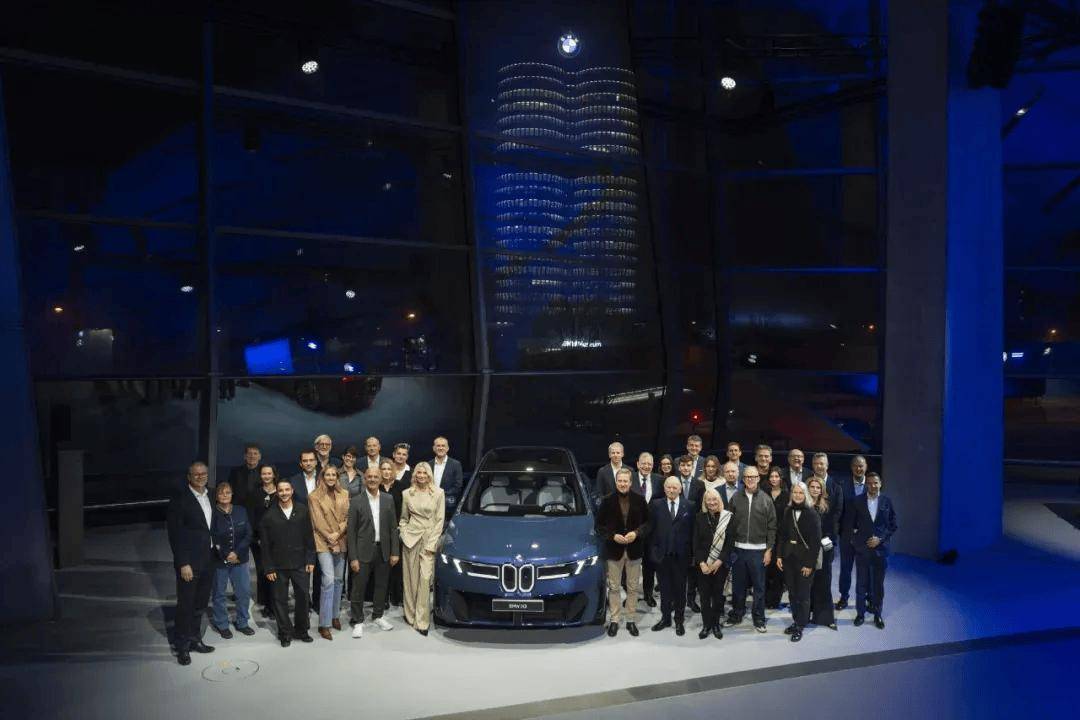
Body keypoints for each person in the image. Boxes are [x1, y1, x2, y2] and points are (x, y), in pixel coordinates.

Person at [166, 462, 216, 665]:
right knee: (186, 605)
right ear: (189, 477)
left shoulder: (212, 495)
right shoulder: (180, 500)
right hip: (190, 563)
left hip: (209, 560)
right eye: (196, 474)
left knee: (200, 604)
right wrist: (183, 563)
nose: (200, 476)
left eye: (203, 473)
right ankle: (182, 646)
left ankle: (195, 639)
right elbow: (175, 535)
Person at [260, 479, 316, 646]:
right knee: (279, 600)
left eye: (287, 490)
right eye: (281, 490)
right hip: (278, 565)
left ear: (292, 491)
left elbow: (309, 536)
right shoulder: (269, 515)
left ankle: (302, 630)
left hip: (300, 563)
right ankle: (285, 633)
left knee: (303, 598)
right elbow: (265, 545)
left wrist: (310, 559)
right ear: (277, 493)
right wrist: (268, 568)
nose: (284, 493)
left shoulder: (302, 510)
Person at [596, 468, 650, 637]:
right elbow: (599, 527)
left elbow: (648, 523)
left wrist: (637, 533)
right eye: (620, 481)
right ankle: (614, 620)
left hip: (634, 549)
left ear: (630, 482)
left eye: (625, 481)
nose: (622, 483)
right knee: (614, 587)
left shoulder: (640, 500)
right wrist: (612, 536)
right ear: (616, 482)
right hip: (614, 550)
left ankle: (631, 620)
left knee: (633, 588)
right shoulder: (606, 501)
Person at [347, 465, 400, 638]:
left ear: (381, 479)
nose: (372, 479)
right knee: (358, 587)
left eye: (376, 477)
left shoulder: (388, 499)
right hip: (362, 552)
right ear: (365, 479)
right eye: (369, 477)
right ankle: (357, 620)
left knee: (381, 586)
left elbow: (393, 528)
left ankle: (378, 615)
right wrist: (353, 557)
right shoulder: (356, 501)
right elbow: (351, 532)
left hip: (383, 550)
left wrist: (395, 551)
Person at [722, 466, 777, 633]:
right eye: (747, 477)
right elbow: (729, 524)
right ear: (743, 479)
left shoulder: (766, 499)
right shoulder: (736, 498)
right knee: (738, 586)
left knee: (759, 588)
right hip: (739, 550)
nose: (750, 479)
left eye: (753, 476)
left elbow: (772, 527)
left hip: (759, 551)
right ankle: (737, 614)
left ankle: (759, 618)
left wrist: (769, 550)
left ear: (758, 478)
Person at [399, 462, 445, 635]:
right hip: (410, 539)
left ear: (429, 475)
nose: (421, 475)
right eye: (418, 472)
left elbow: (440, 521)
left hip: (429, 540)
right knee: (410, 580)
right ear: (415, 475)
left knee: (425, 580)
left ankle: (422, 621)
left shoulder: (439, 493)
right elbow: (403, 519)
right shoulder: (407, 494)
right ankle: (410, 615)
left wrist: (432, 544)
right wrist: (404, 533)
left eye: (425, 473)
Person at [851, 472, 897, 629]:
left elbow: (893, 525)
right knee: (861, 584)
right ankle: (860, 614)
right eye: (869, 483)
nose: (872, 486)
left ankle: (878, 615)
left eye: (875, 483)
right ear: (866, 485)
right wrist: (857, 541)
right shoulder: (857, 501)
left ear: (880, 484)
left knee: (878, 585)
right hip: (863, 550)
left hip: (880, 550)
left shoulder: (886, 501)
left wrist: (880, 539)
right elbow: (851, 524)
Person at [649, 477, 694, 636]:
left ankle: (679, 620)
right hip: (662, 557)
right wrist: (654, 552)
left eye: (675, 487)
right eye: (668, 487)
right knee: (665, 590)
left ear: (680, 489)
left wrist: (691, 555)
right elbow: (651, 530)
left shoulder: (690, 505)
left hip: (681, 557)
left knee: (680, 590)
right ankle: (666, 618)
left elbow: (692, 532)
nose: (671, 490)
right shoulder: (656, 505)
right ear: (664, 488)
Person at [776, 482, 821, 642]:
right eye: (795, 492)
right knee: (792, 593)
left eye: (801, 493)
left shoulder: (812, 514)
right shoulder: (787, 511)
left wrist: (809, 564)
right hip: (788, 558)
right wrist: (779, 556)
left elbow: (815, 543)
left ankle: (800, 625)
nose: (797, 495)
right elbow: (782, 536)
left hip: (804, 561)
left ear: (805, 495)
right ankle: (796, 621)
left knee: (803, 595)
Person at [309, 465, 350, 640]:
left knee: (339, 580)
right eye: (328, 475)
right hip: (323, 541)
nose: (331, 477)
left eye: (334, 475)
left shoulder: (344, 494)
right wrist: (330, 537)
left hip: (340, 540)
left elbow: (347, 517)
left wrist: (338, 533)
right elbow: (317, 521)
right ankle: (324, 624)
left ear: (337, 477)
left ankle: (335, 616)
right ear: (322, 477)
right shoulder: (314, 496)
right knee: (328, 580)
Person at [209, 481, 254, 638]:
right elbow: (213, 536)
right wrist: (226, 554)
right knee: (219, 593)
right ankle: (222, 624)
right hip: (219, 560)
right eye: (221, 493)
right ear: (216, 496)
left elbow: (248, 534)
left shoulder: (241, 510)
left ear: (232, 494)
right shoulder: (212, 513)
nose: (224, 495)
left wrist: (236, 553)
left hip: (240, 559)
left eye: (227, 492)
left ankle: (242, 622)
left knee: (243, 592)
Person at [694, 489, 732, 640]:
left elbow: (729, 543)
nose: (711, 502)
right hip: (703, 565)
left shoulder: (728, 517)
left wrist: (719, 561)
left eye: (714, 499)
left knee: (718, 596)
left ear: (719, 500)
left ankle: (715, 624)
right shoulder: (699, 517)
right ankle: (706, 625)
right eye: (708, 500)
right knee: (704, 597)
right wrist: (701, 563)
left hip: (720, 565)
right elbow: (695, 543)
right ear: (705, 501)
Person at [836, 455, 869, 610]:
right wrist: (841, 532)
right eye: (855, 466)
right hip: (847, 536)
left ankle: (867, 597)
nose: (858, 468)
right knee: (845, 569)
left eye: (861, 466)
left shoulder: (873, 485)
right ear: (851, 468)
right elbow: (839, 511)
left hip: (866, 537)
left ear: (866, 467)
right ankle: (844, 597)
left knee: (866, 569)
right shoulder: (843, 485)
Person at [806, 477, 837, 630]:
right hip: (805, 551)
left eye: (818, 487)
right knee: (806, 585)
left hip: (823, 550)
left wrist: (825, 546)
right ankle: (803, 617)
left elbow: (831, 530)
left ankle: (825, 618)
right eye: (812, 486)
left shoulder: (827, 508)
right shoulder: (801, 506)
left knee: (823, 584)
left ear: (822, 490)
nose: (815, 489)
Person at [247, 464, 278, 617]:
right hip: (258, 540)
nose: (266, 476)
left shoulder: (280, 492)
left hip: (277, 540)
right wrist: (258, 537)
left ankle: (273, 605)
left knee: (275, 572)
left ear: (274, 475)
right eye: (263, 473)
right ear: (260, 476)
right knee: (262, 571)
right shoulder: (255, 494)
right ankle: (265, 603)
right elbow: (251, 517)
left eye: (269, 473)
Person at [631, 452, 661, 606]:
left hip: (652, 533)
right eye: (644, 463)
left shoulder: (659, 480)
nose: (646, 466)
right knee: (631, 566)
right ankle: (631, 595)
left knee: (649, 566)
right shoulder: (629, 478)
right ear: (638, 464)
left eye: (649, 464)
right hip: (633, 532)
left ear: (653, 465)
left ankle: (648, 595)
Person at [380, 458, 408, 606]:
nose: (386, 472)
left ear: (393, 471)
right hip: (379, 531)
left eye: (389, 469)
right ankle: (383, 598)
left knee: (397, 566)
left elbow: (405, 509)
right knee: (382, 565)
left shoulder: (401, 486)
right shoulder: (376, 486)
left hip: (396, 530)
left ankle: (396, 597)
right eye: (383, 469)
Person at [763, 466, 790, 610]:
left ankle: (775, 600)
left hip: (781, 537)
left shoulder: (787, 495)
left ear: (781, 478)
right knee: (766, 570)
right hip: (765, 536)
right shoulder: (763, 494)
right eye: (771, 476)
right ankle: (765, 599)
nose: (774, 479)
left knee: (778, 570)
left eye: (776, 476)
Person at [429, 436, 464, 505]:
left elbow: (458, 486)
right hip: (430, 502)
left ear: (447, 448)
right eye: (438, 446)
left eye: (443, 446)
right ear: (434, 448)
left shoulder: (456, 464)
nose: (441, 448)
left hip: (447, 503)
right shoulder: (428, 464)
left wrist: (441, 494)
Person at [226, 443, 261, 510]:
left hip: (259, 510)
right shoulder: (235, 472)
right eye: (249, 453)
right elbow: (230, 491)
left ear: (259, 457)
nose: (252, 456)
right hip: (239, 509)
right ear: (245, 456)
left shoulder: (264, 472)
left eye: (255, 453)